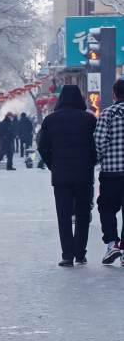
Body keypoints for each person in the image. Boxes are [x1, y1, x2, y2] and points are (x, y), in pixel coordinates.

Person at [38, 85, 96, 267]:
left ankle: (67, 255)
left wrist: (52, 164)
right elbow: (96, 144)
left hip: (61, 174)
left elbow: (42, 146)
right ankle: (80, 253)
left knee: (63, 214)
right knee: (83, 213)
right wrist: (91, 162)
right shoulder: (88, 119)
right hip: (84, 174)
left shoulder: (50, 120)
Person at [94, 79, 124, 266]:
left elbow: (99, 142)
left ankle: (112, 244)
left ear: (114, 94)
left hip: (111, 172)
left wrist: (100, 158)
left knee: (106, 208)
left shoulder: (108, 114)